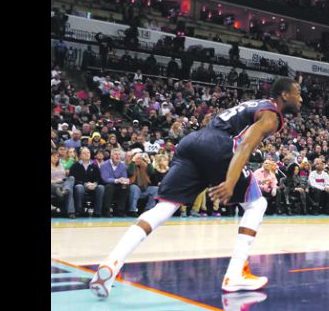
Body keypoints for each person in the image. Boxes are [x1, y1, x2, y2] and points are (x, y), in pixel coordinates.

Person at [90, 77, 302, 298]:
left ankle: (111, 263)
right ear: (284, 95)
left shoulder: (257, 104)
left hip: (193, 141)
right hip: (220, 145)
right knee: (257, 203)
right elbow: (247, 144)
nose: (301, 97)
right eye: (297, 92)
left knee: (163, 209)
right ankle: (235, 273)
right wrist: (230, 181)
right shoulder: (271, 115)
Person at [71, 147, 105, 217]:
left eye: (88, 153)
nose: (87, 154)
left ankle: (97, 212)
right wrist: (85, 184)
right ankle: (79, 211)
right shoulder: (75, 165)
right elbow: (72, 180)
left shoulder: (94, 166)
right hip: (81, 185)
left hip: (93, 186)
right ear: (80, 155)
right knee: (79, 187)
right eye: (84, 153)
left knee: (101, 187)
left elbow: (99, 179)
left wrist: (95, 184)